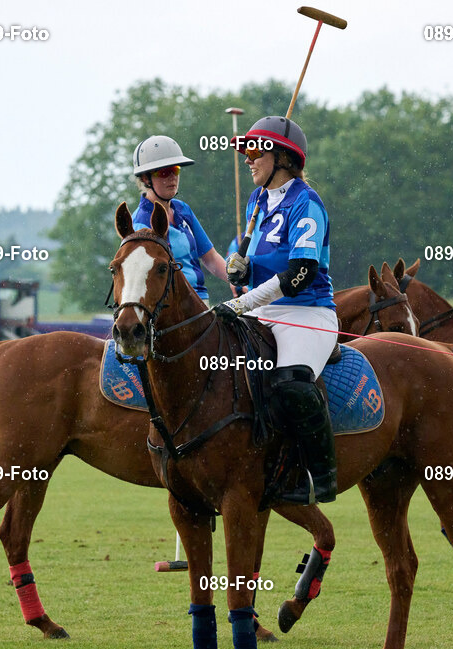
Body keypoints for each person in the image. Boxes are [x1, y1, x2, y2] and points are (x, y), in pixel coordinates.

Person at [214, 116, 338, 504]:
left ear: (282, 156)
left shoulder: (307, 202)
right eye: (245, 152)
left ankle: (319, 477)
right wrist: (241, 266)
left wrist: (245, 299)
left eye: (254, 151)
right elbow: (258, 260)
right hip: (263, 310)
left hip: (308, 312)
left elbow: (302, 272)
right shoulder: (256, 200)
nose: (247, 160)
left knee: (291, 384)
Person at [131, 135, 229, 300]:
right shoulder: (140, 223)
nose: (172, 177)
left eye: (175, 169)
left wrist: (237, 281)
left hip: (199, 302)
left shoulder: (183, 209)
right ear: (145, 179)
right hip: (169, 308)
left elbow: (210, 258)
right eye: (164, 172)